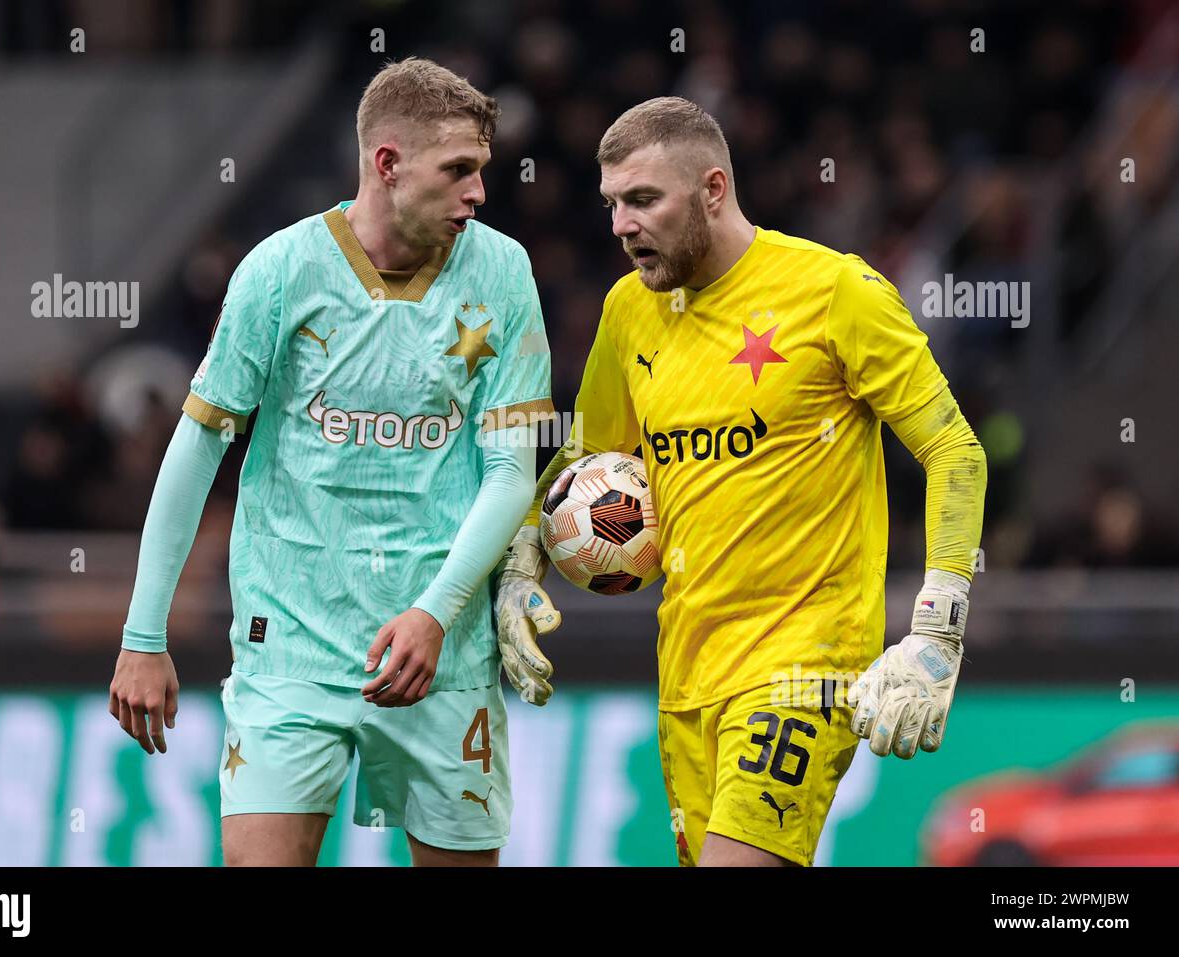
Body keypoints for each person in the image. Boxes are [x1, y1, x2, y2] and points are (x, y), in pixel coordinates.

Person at [495, 97, 986, 867]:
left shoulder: (834, 292)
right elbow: (580, 461)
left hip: (804, 664)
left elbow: (956, 450)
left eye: (644, 200)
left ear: (713, 189)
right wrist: (522, 559)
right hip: (687, 674)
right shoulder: (630, 311)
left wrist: (936, 629)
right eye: (613, 204)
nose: (621, 224)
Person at [110, 58, 553, 866]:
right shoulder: (279, 272)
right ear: (387, 164)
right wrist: (144, 633)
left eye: (482, 171)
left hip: (441, 657)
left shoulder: (503, 272)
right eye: (458, 171)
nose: (478, 193)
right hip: (291, 652)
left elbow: (509, 472)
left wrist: (436, 611)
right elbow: (197, 444)